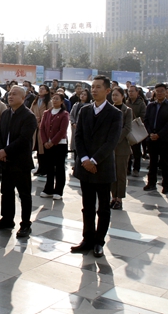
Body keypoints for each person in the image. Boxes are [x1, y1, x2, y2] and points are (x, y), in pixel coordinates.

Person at [71, 76, 122, 257]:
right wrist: (84, 159)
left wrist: (94, 160)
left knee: (103, 208)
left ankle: (99, 241)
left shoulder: (115, 113)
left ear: (107, 91)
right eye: (92, 87)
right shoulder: (85, 110)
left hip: (102, 166)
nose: (94, 90)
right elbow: (78, 136)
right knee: (87, 206)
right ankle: (87, 238)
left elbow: (111, 141)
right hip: (85, 166)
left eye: (98, 87)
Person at [0, 85, 38, 238]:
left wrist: (6, 151)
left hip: (20, 162)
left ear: (23, 98)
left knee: (24, 194)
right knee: (6, 192)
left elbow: (24, 139)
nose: (10, 96)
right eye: (9, 94)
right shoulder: (6, 113)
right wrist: (0, 150)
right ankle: (7, 219)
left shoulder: (28, 116)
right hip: (5, 161)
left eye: (14, 94)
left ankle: (25, 224)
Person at [143, 83, 168, 194]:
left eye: (162, 91)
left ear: (166, 92)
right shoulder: (151, 105)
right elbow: (146, 120)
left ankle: (166, 185)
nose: (159, 93)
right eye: (157, 91)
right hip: (151, 138)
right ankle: (151, 183)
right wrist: (150, 133)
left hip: (164, 139)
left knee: (165, 162)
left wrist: (159, 134)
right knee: (152, 162)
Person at [39, 93, 70, 200]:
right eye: (53, 98)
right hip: (47, 144)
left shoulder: (64, 114)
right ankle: (48, 189)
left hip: (59, 144)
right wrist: (45, 142)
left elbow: (62, 130)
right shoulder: (47, 113)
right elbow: (42, 128)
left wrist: (52, 142)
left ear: (62, 101)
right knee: (49, 167)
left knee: (59, 167)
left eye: (57, 99)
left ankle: (59, 190)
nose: (54, 100)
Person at [110, 87, 133, 210]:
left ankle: (119, 198)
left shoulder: (127, 110)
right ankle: (113, 196)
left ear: (122, 96)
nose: (114, 97)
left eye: (117, 95)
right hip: (110, 147)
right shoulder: (109, 109)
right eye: (113, 95)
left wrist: (115, 139)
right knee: (112, 173)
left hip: (122, 146)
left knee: (121, 174)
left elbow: (127, 128)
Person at [125, 85, 146, 177]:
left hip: (136, 129)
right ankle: (128, 168)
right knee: (128, 150)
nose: (130, 93)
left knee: (136, 151)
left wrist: (136, 121)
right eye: (129, 91)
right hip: (127, 129)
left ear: (137, 92)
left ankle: (136, 168)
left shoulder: (141, 104)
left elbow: (143, 116)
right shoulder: (126, 102)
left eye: (132, 91)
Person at [31, 84, 52, 176]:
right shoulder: (35, 101)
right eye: (40, 88)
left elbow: (50, 115)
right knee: (38, 150)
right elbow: (30, 111)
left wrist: (42, 121)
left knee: (43, 149)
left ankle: (45, 169)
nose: (41, 90)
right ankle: (40, 168)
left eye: (43, 89)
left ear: (47, 91)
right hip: (35, 127)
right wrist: (34, 118)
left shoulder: (48, 102)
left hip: (43, 128)